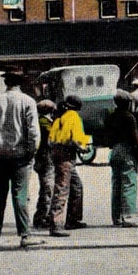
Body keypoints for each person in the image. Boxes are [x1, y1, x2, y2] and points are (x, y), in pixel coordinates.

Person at [0, 68, 44, 249]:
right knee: (20, 195)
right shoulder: (28, 102)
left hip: (0, 155)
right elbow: (33, 132)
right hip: (21, 155)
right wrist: (32, 151)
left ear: (6, 82)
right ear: (21, 82)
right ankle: (24, 235)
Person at [47, 95, 90, 237]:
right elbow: (76, 138)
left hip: (56, 153)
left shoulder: (59, 116)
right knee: (62, 188)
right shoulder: (73, 117)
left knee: (76, 186)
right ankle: (56, 224)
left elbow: (51, 139)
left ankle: (73, 219)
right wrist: (83, 148)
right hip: (66, 156)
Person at [104, 90, 138, 227]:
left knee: (116, 185)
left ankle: (116, 217)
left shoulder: (111, 116)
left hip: (114, 151)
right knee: (129, 183)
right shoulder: (129, 117)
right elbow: (135, 138)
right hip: (126, 151)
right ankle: (129, 216)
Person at [31, 99, 57, 230]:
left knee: (47, 188)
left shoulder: (41, 121)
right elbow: (52, 137)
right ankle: (41, 217)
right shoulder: (43, 122)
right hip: (45, 158)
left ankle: (43, 215)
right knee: (47, 188)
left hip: (44, 158)